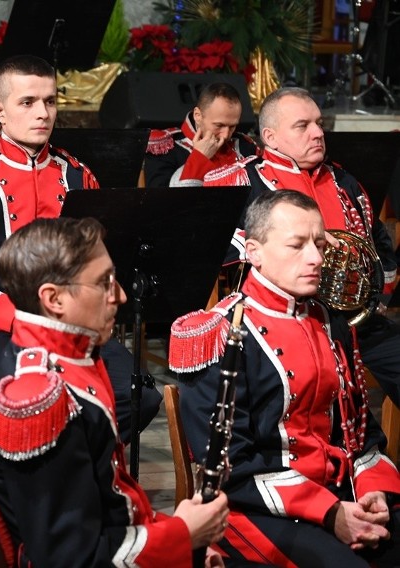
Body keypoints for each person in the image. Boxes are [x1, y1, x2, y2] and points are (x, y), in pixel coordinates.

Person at [0, 217, 229, 567]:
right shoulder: (41, 400)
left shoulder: (74, 355)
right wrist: (182, 536)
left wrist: (183, 538)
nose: (119, 294)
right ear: (53, 298)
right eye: (103, 282)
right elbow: (71, 558)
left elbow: (111, 502)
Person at [0, 54, 162, 442]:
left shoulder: (77, 174)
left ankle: (82, 473)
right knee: (34, 398)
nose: (43, 113)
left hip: (73, 320)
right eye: (28, 102)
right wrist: (23, 319)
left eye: (50, 101)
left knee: (138, 393)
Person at [171, 190, 400, 567]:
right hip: (259, 510)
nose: (315, 258)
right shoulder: (217, 334)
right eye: (297, 245)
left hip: (346, 494)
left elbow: (360, 431)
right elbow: (233, 470)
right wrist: (330, 513)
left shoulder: (331, 321)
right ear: (253, 251)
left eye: (319, 244)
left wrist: (373, 490)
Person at [204, 87, 400, 408]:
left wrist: (378, 294)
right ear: (271, 136)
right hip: (284, 323)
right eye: (302, 125)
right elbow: (207, 245)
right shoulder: (241, 182)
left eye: (319, 124)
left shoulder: (343, 181)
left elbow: (377, 243)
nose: (317, 133)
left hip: (355, 323)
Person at [143, 82, 257, 188]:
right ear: (197, 115)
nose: (226, 135)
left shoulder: (245, 145)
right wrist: (199, 157)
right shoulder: (165, 148)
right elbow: (160, 202)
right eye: (219, 125)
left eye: (232, 126)